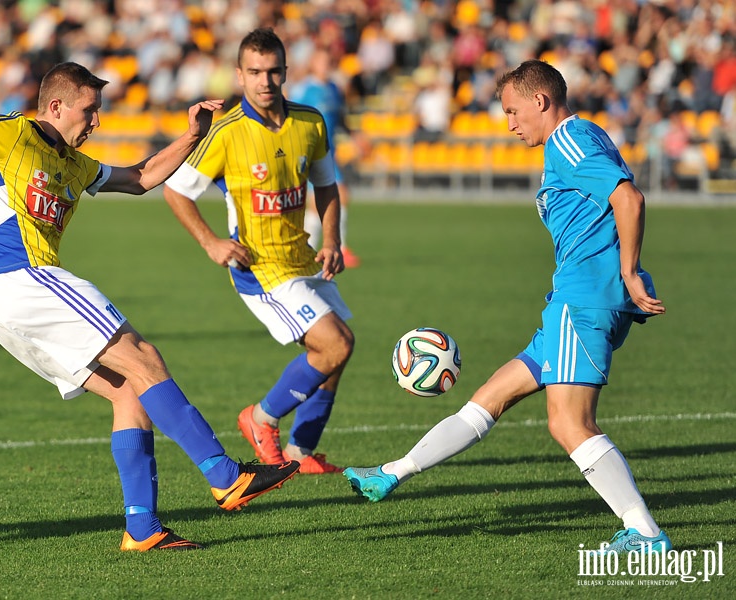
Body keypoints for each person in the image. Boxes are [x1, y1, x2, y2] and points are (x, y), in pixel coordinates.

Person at [0, 61, 300, 552]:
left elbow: (141, 177)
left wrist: (193, 134)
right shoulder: (10, 133)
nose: (96, 121)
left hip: (9, 305)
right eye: (89, 111)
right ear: (56, 106)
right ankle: (224, 475)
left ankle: (142, 529)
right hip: (23, 279)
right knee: (144, 356)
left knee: (130, 392)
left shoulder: (75, 163)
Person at [343, 59, 672, 554]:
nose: (510, 123)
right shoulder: (584, 136)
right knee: (488, 400)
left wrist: (627, 270)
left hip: (582, 300)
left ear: (540, 101)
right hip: (576, 301)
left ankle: (644, 532)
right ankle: (393, 472)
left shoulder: (568, 139)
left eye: (513, 111)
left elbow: (629, 199)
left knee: (568, 423)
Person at [163, 29, 354, 475]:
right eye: (254, 72)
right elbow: (176, 192)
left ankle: (300, 453)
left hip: (302, 258)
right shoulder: (227, 132)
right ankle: (261, 418)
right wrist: (211, 242)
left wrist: (332, 241)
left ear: (286, 72)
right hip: (259, 267)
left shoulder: (310, 121)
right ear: (239, 75)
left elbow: (325, 185)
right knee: (335, 344)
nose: (264, 81)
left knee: (335, 357)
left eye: (272, 71)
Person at [290, 46, 361, 267]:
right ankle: (310, 249)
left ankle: (335, 247)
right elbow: (289, 117)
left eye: (328, 61)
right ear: (312, 64)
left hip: (329, 152)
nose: (325, 65)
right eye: (321, 61)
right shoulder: (303, 90)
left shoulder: (333, 88)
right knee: (319, 201)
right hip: (309, 152)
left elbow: (340, 119)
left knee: (339, 196)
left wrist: (354, 136)